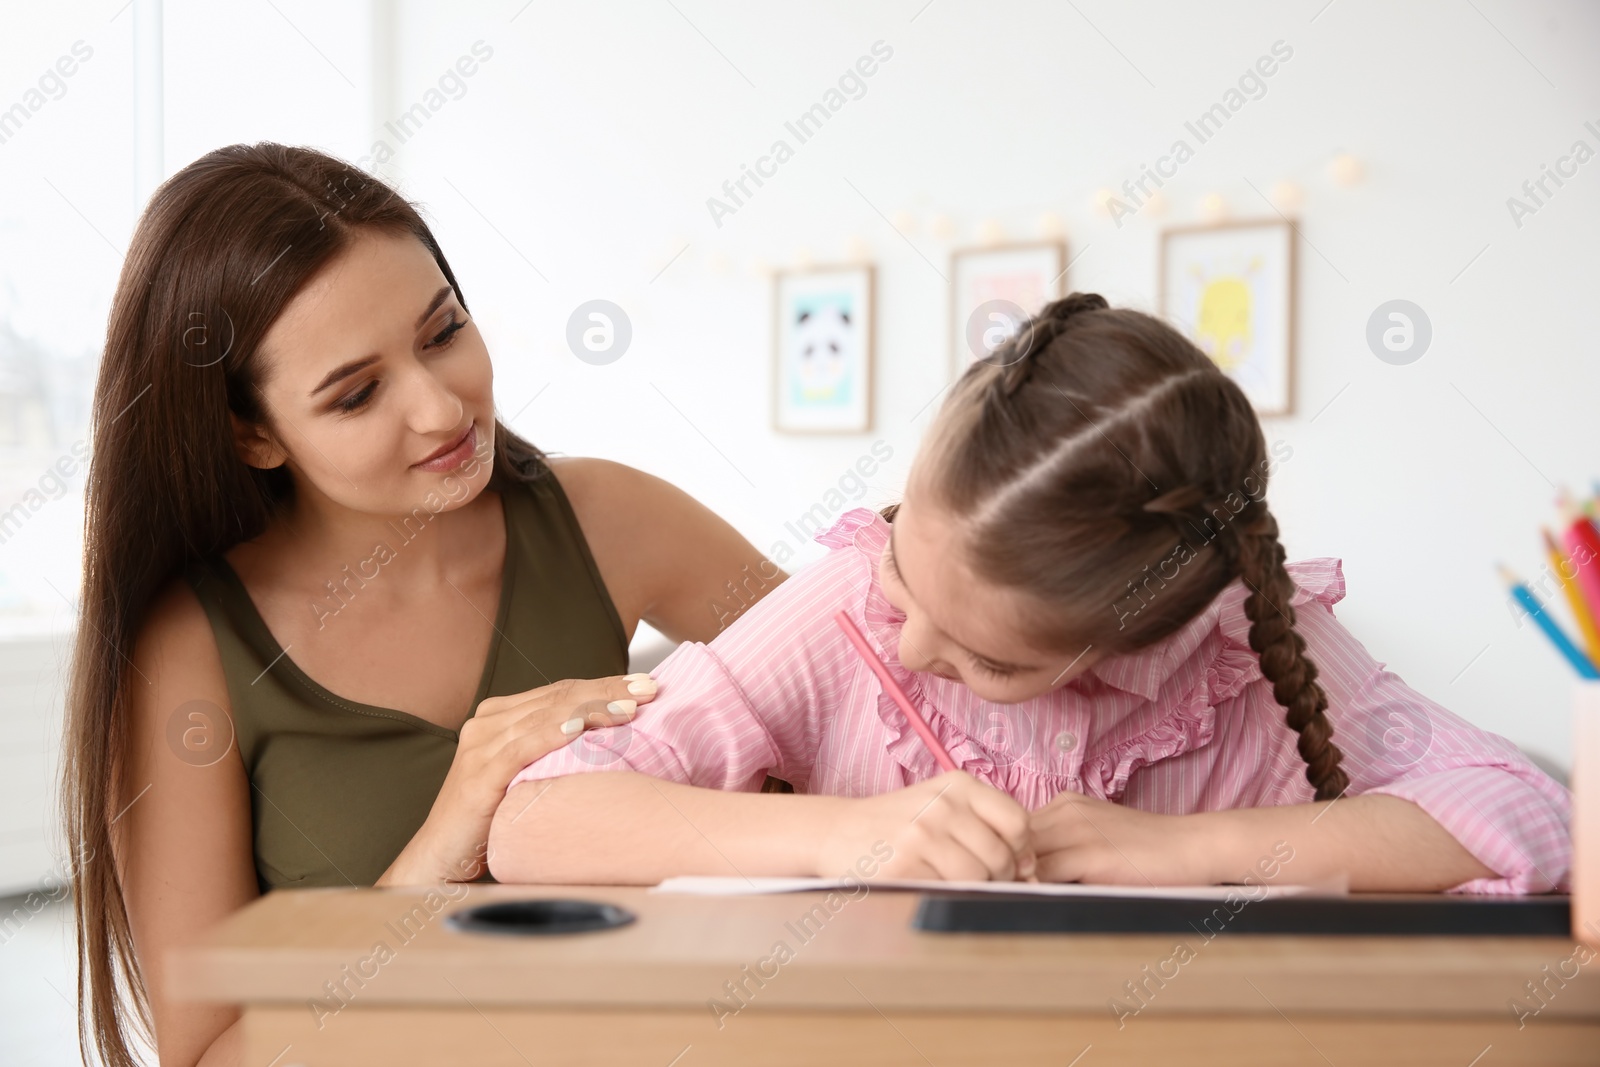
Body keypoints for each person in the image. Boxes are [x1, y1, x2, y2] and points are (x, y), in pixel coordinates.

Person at [62, 143, 785, 1067]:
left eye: (443, 332)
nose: (443, 410)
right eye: (358, 394)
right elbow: (211, 1054)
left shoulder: (610, 518)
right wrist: (444, 841)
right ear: (252, 434)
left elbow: (874, 685)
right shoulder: (189, 648)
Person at [487, 294, 1570, 898]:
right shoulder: (846, 610)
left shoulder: (1242, 639)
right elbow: (536, 825)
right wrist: (845, 837)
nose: (909, 647)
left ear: (1154, 625)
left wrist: (1185, 853)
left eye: (990, 658)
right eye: (908, 566)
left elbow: (1530, 814)